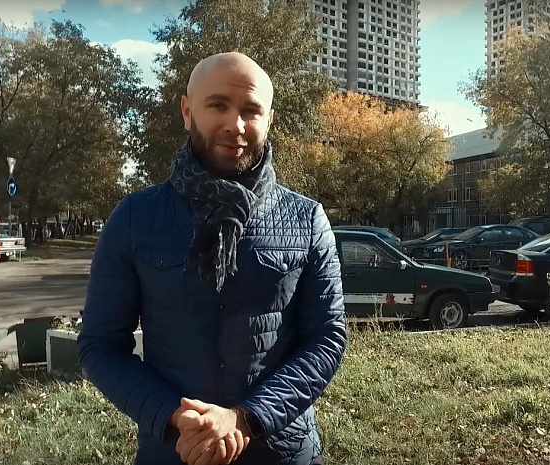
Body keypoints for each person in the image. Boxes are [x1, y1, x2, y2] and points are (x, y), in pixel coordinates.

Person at [77, 52, 348, 465]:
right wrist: (174, 417)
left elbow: (327, 338)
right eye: (218, 105)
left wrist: (246, 419)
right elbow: (100, 345)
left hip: (282, 452)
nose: (235, 125)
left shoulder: (306, 219)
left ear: (269, 119)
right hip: (174, 450)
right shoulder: (135, 218)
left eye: (251, 110)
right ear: (188, 112)